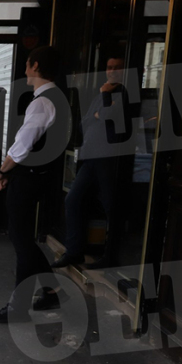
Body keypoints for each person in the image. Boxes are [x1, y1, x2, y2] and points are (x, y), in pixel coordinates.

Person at [0, 46, 71, 324]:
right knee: (21, 238)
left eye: (26, 65)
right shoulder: (57, 98)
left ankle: (18, 307)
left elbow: (22, 146)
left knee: (20, 239)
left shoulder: (43, 102)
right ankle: (53, 290)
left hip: (31, 179)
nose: (24, 71)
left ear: (35, 66)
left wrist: (2, 170)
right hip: (41, 176)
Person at [51, 56, 136, 270]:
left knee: (111, 207)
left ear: (124, 70)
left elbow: (112, 120)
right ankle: (74, 252)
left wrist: (105, 101)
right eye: (109, 67)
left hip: (110, 159)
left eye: (117, 67)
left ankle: (111, 255)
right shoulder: (102, 92)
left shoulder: (123, 93)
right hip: (90, 158)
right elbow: (83, 122)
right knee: (73, 199)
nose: (112, 71)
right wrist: (101, 110)